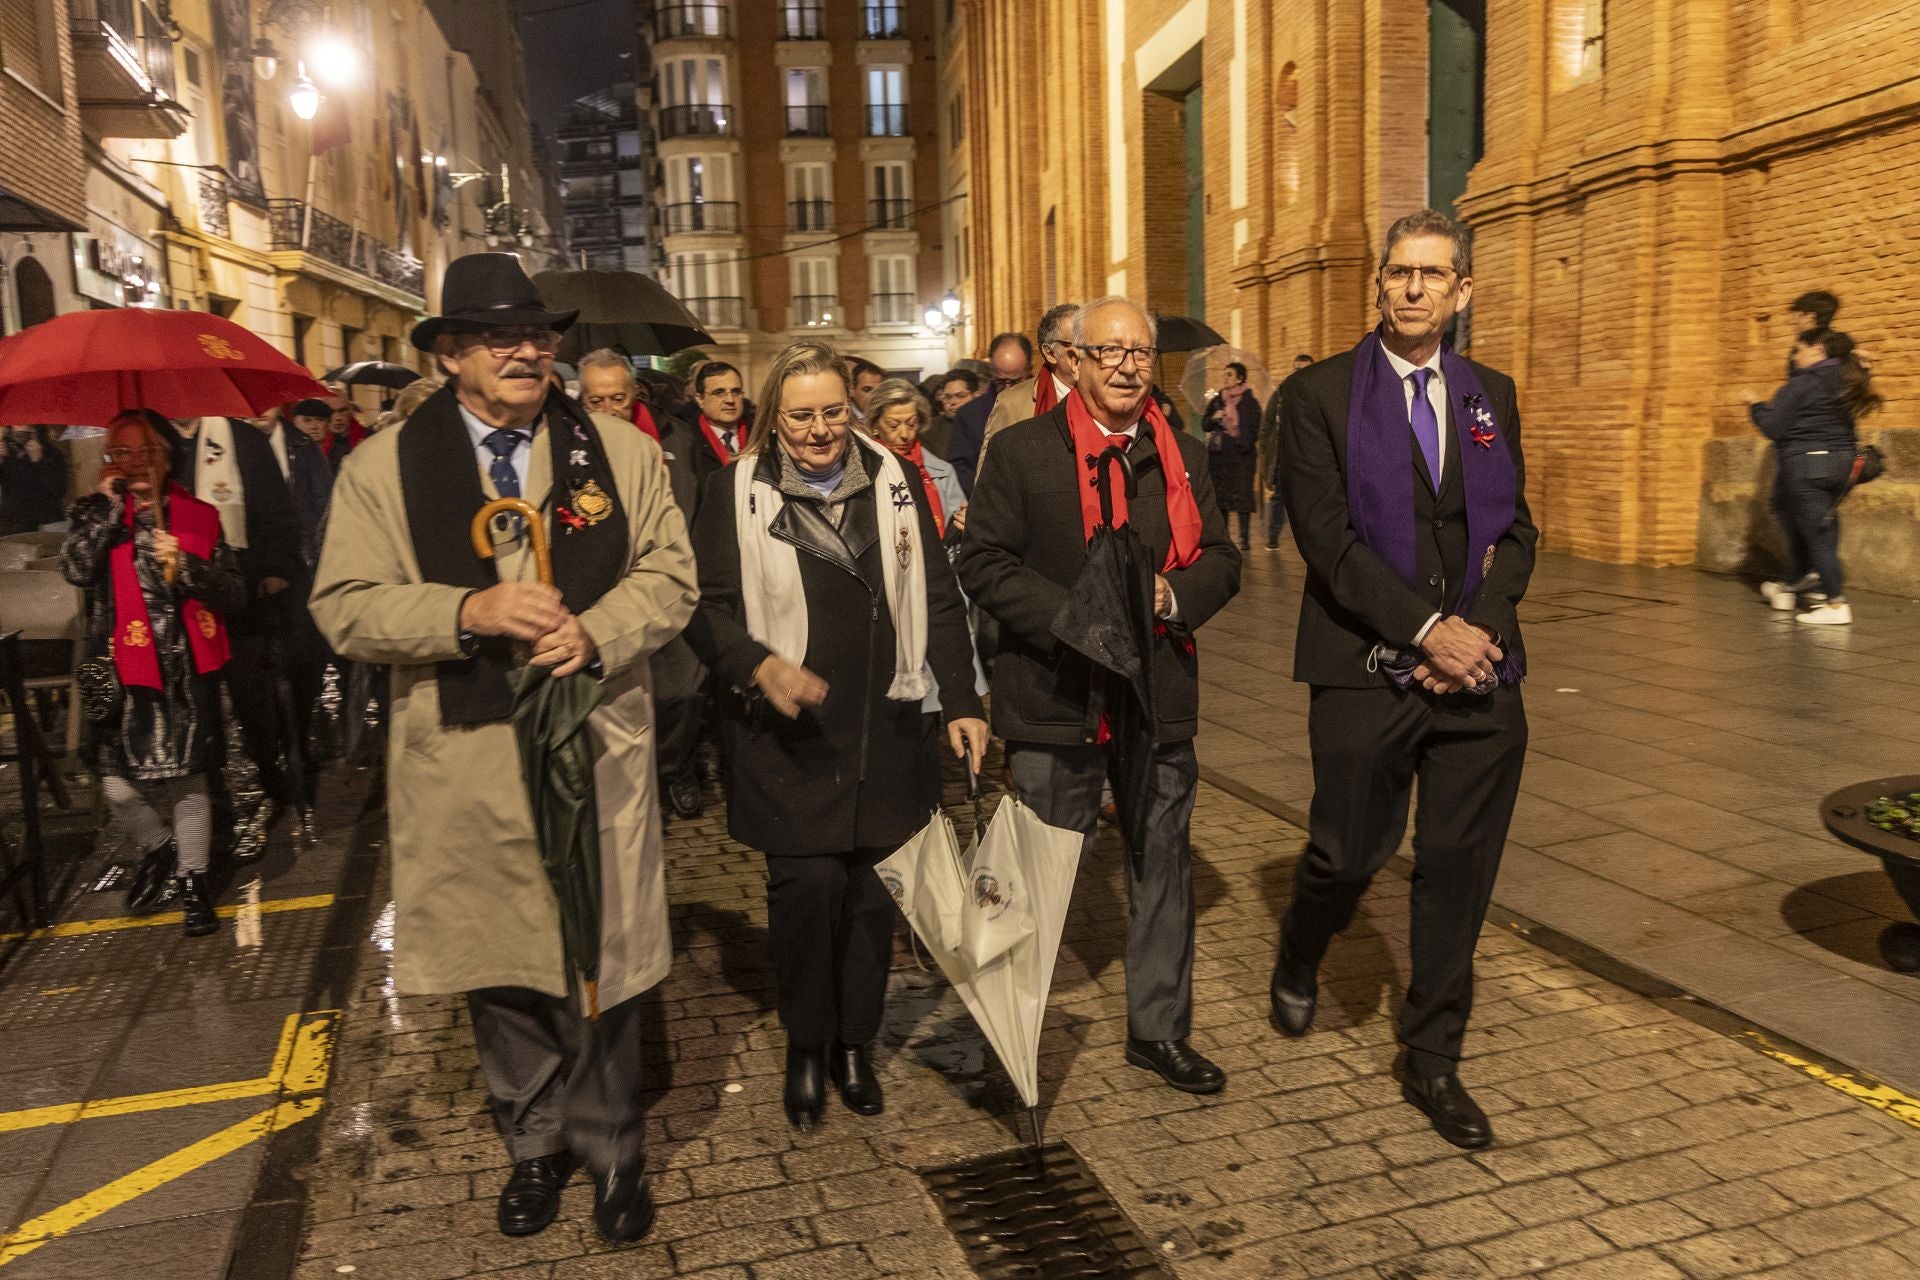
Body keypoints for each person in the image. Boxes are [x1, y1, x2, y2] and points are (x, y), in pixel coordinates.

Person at [309, 253, 697, 1245]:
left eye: (538, 333)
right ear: (447, 355)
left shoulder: (618, 449)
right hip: (468, 754)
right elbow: (345, 608)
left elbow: (671, 572)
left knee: (599, 954)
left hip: (594, 740)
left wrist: (601, 630)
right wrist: (466, 609)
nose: (528, 349)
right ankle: (532, 1142)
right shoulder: (382, 468)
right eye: (498, 336)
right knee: (503, 959)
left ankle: (613, 1150)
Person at [1272, 209, 1536, 1151]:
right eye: (1399, 273)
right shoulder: (1317, 396)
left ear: (1462, 290)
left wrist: (1478, 633)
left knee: (1459, 871)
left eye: (1434, 274)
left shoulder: (1489, 393)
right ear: (1377, 287)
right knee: (1348, 852)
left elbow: (1517, 535)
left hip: (1480, 677)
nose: (1415, 288)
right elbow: (1329, 546)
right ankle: (1303, 942)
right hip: (1363, 669)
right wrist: (1430, 631)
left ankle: (1432, 1057)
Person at [682, 341, 987, 1133]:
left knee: (870, 896)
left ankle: (855, 1042)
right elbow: (703, 609)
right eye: (801, 415)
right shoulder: (733, 490)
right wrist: (757, 664)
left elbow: (939, 596)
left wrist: (962, 699)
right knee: (807, 894)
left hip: (885, 726)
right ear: (772, 418)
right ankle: (806, 1046)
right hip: (789, 732)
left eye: (831, 412)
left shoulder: (893, 480)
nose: (820, 430)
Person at [958, 296, 1242, 1095]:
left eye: (1140, 354)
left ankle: (1160, 1031)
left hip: (1157, 693)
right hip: (1056, 694)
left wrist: (1169, 596)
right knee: (1034, 875)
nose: (1126, 366)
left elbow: (1220, 559)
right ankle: (1004, 1040)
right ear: (1074, 362)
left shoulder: (1179, 453)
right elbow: (983, 564)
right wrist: (1075, 617)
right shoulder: (1020, 452)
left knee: (1164, 867)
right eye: (1109, 352)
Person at [61, 410, 247, 935]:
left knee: (188, 777)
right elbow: (77, 568)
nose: (134, 462)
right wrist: (106, 510)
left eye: (146, 452)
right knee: (115, 782)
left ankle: (194, 882)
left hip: (183, 671)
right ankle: (160, 847)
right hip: (115, 668)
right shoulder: (95, 515)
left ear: (167, 457)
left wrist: (186, 565)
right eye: (121, 453)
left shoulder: (198, 517)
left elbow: (234, 593)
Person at [1751, 328, 1877, 625]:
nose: (1795, 357)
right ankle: (1794, 585)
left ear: (1817, 351)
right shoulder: (1848, 376)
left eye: (1799, 350)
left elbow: (1774, 428)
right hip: (1844, 466)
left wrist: (1755, 406)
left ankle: (1835, 604)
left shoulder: (1802, 385)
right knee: (1822, 528)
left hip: (1809, 467)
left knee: (1818, 536)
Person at [978, 304, 1079, 476]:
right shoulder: (1012, 404)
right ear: (1050, 353)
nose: (1089, 351)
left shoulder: (1105, 395)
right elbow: (991, 475)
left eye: (1093, 343)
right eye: (1077, 343)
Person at [866, 377, 965, 538]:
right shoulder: (863, 470)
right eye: (893, 425)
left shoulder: (942, 471)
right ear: (875, 424)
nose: (905, 434)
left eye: (911, 424)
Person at [948, 333, 1033, 495]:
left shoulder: (1046, 403)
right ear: (992, 372)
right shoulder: (970, 415)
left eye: (1015, 381)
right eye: (1000, 381)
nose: (1008, 389)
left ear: (1029, 370)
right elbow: (961, 468)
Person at [1203, 362, 1261, 550]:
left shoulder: (1250, 402)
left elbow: (1253, 429)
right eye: (1224, 374)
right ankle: (1225, 536)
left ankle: (1244, 539)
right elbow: (1205, 424)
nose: (1225, 378)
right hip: (1219, 459)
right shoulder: (1217, 400)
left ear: (1239, 378)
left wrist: (1240, 441)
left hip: (1241, 458)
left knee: (1242, 498)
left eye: (1229, 374)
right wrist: (1214, 417)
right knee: (1221, 499)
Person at [578, 348, 662, 439]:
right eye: (596, 402)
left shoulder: (672, 436)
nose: (608, 411)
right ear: (584, 401)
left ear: (635, 392)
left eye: (618, 399)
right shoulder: (569, 441)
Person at [1, 425, 70, 533]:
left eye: (28, 425)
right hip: (13, 526)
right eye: (18, 424)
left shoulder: (52, 454)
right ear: (11, 427)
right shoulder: (6, 453)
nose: (23, 428)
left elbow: (59, 490)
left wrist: (38, 461)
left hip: (46, 523)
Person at [689, 361, 749, 465]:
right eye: (719, 393)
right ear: (700, 399)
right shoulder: (686, 441)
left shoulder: (761, 437)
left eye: (736, 392)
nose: (730, 400)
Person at [924, 368, 980, 459]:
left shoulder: (989, 425)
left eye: (961, 396)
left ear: (976, 396)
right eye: (947, 397)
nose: (953, 402)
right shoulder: (929, 430)